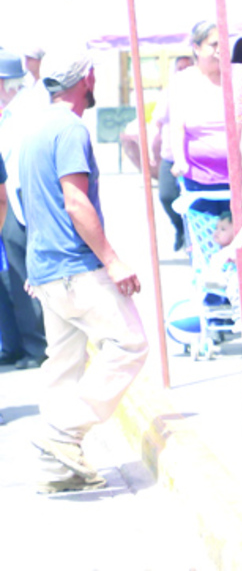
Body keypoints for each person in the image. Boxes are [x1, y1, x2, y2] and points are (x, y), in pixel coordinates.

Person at [20, 46, 149, 493]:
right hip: (75, 267)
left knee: (65, 364)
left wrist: (35, 264)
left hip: (46, 268)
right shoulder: (71, 129)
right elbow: (75, 202)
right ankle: (62, 433)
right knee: (130, 343)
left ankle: (58, 470)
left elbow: (28, 200)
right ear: (85, 80)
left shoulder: (34, 129)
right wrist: (112, 260)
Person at [0, 47, 49, 369]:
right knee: (10, 279)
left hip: (18, 204)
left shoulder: (24, 111)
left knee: (23, 277)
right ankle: (15, 343)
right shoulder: (10, 111)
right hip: (9, 202)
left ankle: (36, 346)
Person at [168, 22, 230, 215]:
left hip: (239, 178)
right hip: (199, 180)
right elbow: (177, 126)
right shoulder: (183, 81)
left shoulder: (238, 76)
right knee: (207, 231)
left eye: (224, 43)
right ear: (196, 48)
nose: (220, 50)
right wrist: (179, 159)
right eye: (213, 44)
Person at [149, 56, 194, 252]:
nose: (183, 71)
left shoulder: (200, 89)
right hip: (170, 156)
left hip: (193, 157)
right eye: (180, 68)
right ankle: (180, 227)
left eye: (187, 67)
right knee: (166, 195)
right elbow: (156, 123)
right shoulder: (169, 93)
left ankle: (192, 237)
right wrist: (150, 150)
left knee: (194, 202)